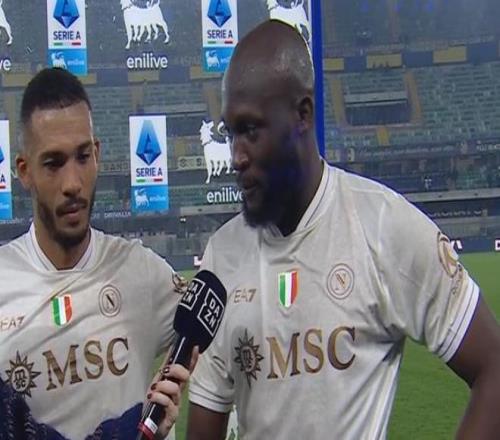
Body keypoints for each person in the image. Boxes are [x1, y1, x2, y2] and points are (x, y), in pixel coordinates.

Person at [186, 20, 500, 439]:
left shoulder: (384, 226)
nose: (236, 156)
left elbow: (493, 367)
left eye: (251, 130)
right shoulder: (221, 257)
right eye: (230, 134)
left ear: (303, 114)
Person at [0, 68, 194, 440]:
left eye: (83, 156)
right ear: (24, 171)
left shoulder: (141, 272)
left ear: (98, 154)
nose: (73, 183)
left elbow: (219, 324)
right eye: (53, 163)